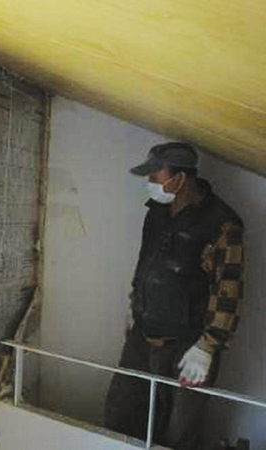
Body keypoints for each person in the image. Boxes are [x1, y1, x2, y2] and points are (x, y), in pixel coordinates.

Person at [104, 142, 245, 449]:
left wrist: (207, 347)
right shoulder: (156, 213)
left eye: (156, 175)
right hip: (143, 337)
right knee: (120, 415)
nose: (150, 182)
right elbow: (146, 264)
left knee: (179, 434)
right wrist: (135, 305)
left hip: (188, 348)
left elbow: (228, 291)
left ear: (180, 179)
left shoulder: (222, 224)